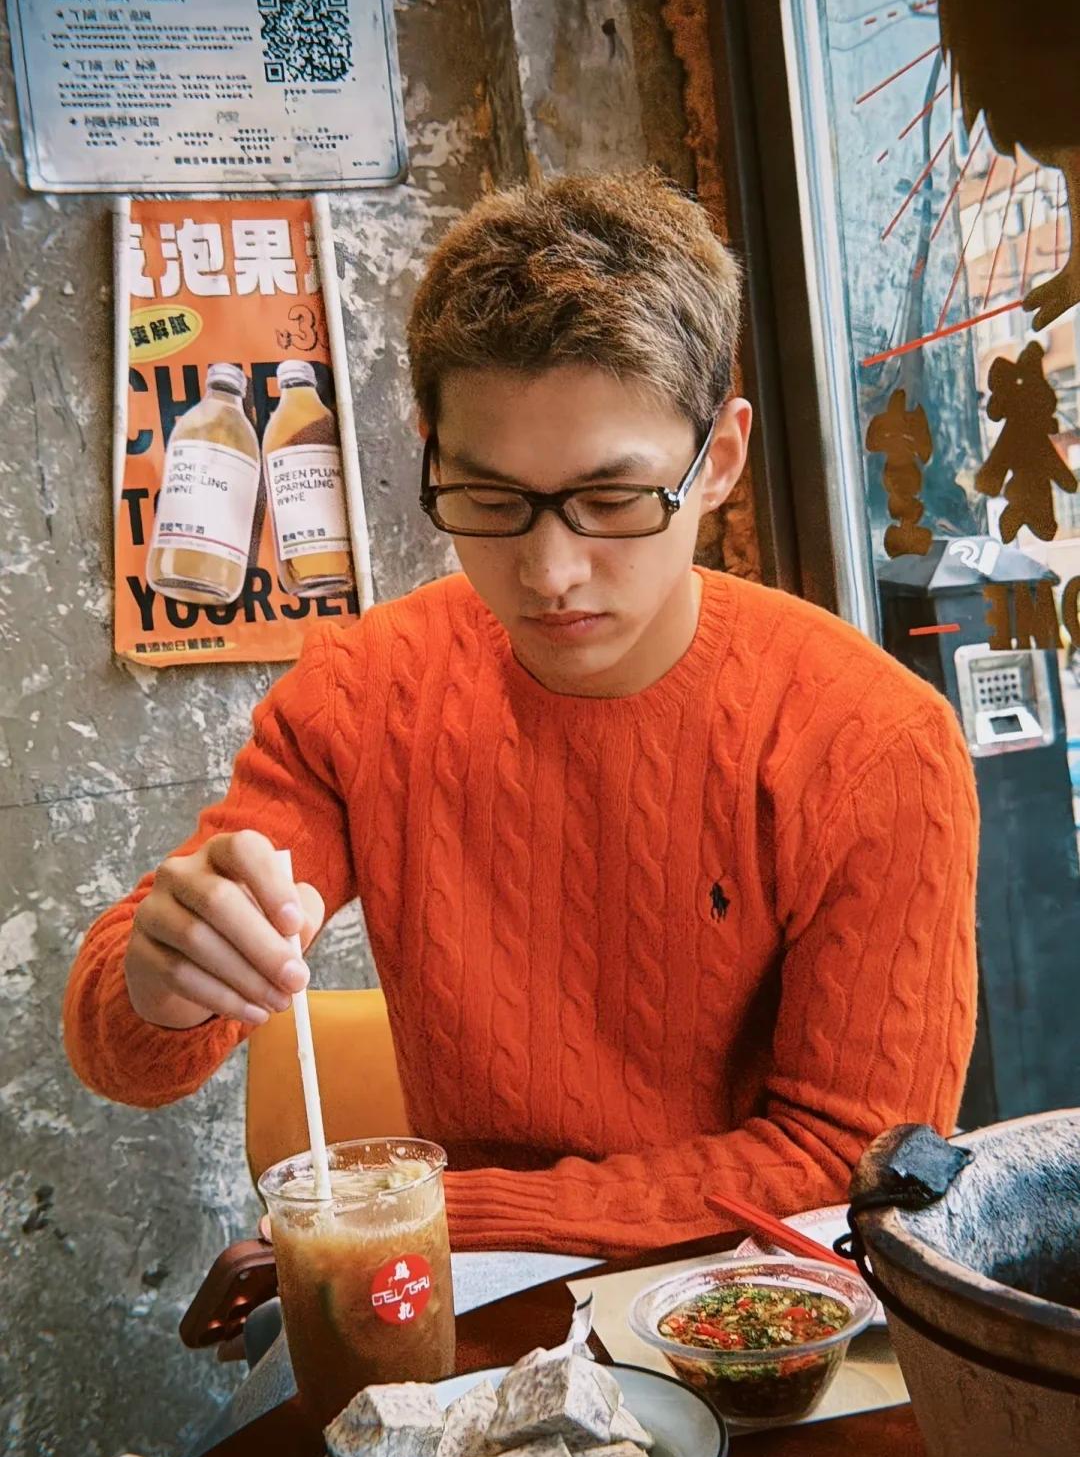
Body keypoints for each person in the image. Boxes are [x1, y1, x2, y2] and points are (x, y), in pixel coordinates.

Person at [64, 170, 979, 1259]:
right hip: (465, 1312)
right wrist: (164, 978)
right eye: (490, 500)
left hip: (761, 1303)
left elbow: (856, 1154)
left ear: (720, 461)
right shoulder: (366, 692)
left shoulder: (870, 741)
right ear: (433, 451)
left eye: (613, 499)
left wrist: (440, 1217)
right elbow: (130, 1056)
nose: (550, 571)